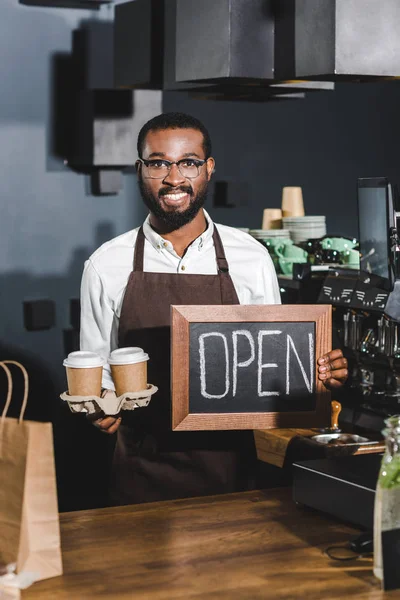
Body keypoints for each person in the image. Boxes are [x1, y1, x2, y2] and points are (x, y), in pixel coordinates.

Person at [80, 112, 348, 505]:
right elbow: (97, 370)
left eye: (188, 162)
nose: (174, 178)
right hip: (142, 472)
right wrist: (98, 407)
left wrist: (318, 375)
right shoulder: (106, 264)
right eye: (158, 163)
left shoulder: (250, 258)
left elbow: (272, 370)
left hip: (234, 473)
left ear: (208, 168)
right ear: (140, 170)